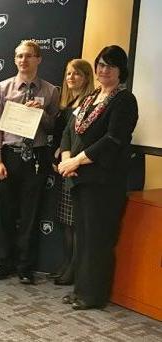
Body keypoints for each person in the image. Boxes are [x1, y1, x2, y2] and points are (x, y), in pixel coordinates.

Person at [58, 46, 138, 310]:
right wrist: (67, 157)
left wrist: (76, 160)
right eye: (101, 65)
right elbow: (72, 128)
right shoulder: (92, 96)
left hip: (103, 183)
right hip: (81, 179)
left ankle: (93, 296)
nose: (104, 70)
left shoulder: (124, 100)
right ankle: (81, 289)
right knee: (84, 238)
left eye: (110, 66)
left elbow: (113, 141)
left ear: (120, 71)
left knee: (97, 240)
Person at [0, 40, 60, 284]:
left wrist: (41, 114)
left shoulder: (50, 91)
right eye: (19, 56)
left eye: (29, 56)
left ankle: (25, 267)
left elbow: (53, 127)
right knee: (5, 213)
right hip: (10, 155)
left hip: (37, 158)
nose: (23, 60)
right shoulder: (2, 88)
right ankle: (4, 262)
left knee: (31, 215)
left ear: (38, 59)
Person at [48, 59, 94, 285]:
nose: (71, 77)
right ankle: (67, 264)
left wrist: (68, 157)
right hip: (63, 167)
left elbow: (83, 138)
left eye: (77, 74)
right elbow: (63, 135)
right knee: (66, 222)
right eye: (68, 73)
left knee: (74, 223)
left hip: (77, 170)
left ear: (86, 77)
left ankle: (73, 270)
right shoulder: (68, 102)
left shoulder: (90, 102)